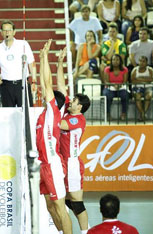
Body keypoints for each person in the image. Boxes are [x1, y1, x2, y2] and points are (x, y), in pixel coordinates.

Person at [36, 39, 72, 234]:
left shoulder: (53, 111)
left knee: (60, 207)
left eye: (48, 96)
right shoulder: (45, 112)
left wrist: (45, 60)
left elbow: (48, 84)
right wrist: (54, 62)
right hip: (43, 165)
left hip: (53, 165)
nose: (45, 95)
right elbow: (48, 84)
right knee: (50, 207)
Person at [59, 57, 91, 234]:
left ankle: (86, 232)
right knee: (63, 200)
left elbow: (59, 125)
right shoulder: (68, 112)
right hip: (62, 163)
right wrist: (59, 64)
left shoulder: (77, 120)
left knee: (77, 203)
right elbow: (62, 88)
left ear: (80, 107)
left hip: (72, 164)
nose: (70, 102)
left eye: (74, 101)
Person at [0, 20, 37, 107]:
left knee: (26, 113)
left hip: (22, 84)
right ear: (1, 33)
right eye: (4, 30)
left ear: (14, 32)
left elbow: (31, 63)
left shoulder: (23, 44)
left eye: (9, 30)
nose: (7, 32)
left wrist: (34, 81)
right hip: (6, 86)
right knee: (8, 114)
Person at [103, 54, 129, 120]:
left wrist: (119, 85)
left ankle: (123, 114)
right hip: (110, 87)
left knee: (125, 95)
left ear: (120, 61)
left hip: (121, 87)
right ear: (111, 61)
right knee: (108, 96)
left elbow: (125, 82)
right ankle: (108, 114)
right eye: (114, 60)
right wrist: (114, 85)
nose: (115, 61)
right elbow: (106, 82)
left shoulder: (124, 69)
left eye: (117, 60)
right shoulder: (107, 69)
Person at [131, 56, 153, 121]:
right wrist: (145, 80)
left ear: (147, 63)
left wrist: (138, 79)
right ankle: (143, 114)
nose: (141, 63)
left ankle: (142, 114)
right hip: (137, 87)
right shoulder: (135, 70)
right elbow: (133, 80)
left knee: (149, 96)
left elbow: (151, 79)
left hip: (148, 87)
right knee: (137, 96)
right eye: (140, 61)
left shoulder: (150, 69)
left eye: (143, 61)